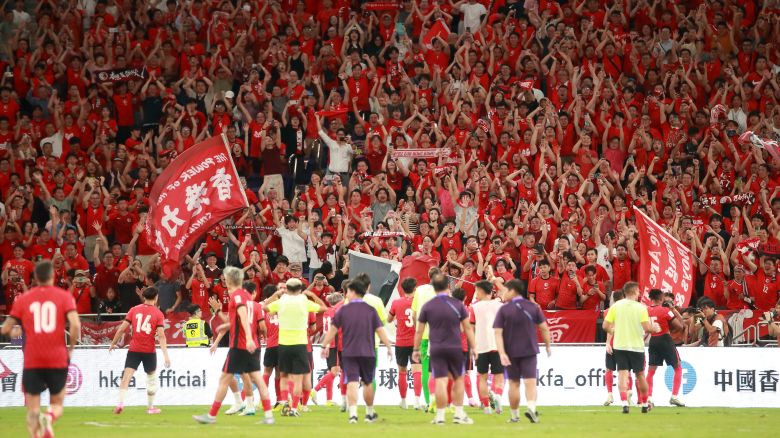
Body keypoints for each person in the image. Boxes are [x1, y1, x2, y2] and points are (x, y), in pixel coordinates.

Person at [0, 260, 81, 438]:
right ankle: (49, 417)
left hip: (32, 360)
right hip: (57, 358)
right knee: (57, 404)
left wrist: (14, 333)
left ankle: (36, 432)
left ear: (35, 277)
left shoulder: (24, 299)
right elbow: (75, 324)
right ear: (52, 276)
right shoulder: (64, 296)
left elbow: (5, 329)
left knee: (32, 409)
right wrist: (71, 348)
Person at [193, 267, 274, 424]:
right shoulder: (247, 297)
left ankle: (212, 415)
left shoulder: (237, 296)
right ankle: (269, 416)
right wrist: (226, 324)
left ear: (229, 279)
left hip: (240, 345)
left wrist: (248, 337)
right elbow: (238, 320)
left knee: (224, 379)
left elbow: (243, 315)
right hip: (251, 345)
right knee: (257, 378)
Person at [320, 278, 393, 424]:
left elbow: (332, 331)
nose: (346, 294)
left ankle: (353, 414)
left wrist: (324, 346)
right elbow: (380, 330)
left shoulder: (343, 310)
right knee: (367, 382)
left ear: (353, 292)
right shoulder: (370, 310)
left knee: (352, 381)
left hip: (349, 352)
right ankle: (369, 412)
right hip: (368, 351)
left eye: (348, 291)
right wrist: (389, 347)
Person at [413, 274, 476, 425]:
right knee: (458, 380)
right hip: (455, 347)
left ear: (433, 288)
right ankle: (459, 415)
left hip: (436, 348)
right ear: (448, 287)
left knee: (440, 381)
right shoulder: (457, 304)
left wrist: (415, 349)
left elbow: (419, 331)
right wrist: (474, 347)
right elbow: (467, 327)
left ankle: (440, 417)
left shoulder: (428, 306)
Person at [263, 277, 327, 417]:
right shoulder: (304, 301)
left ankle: (285, 401)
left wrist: (275, 295)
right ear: (299, 289)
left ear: (287, 288)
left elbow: (265, 307)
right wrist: (313, 295)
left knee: (284, 376)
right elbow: (323, 307)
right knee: (298, 378)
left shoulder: (281, 301)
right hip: (300, 344)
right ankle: (293, 408)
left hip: (283, 344)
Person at [493, 279, 551, 423]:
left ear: (512, 291)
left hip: (510, 352)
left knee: (514, 384)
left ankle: (514, 416)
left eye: (505, 290)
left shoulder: (504, 309)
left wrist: (501, 353)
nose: (502, 293)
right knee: (530, 382)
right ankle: (531, 409)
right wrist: (548, 345)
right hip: (530, 350)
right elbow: (544, 328)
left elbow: (497, 332)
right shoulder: (533, 307)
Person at [108, 286, 171, 415]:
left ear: (144, 297)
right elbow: (161, 336)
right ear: (156, 297)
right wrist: (166, 355)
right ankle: (150, 407)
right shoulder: (158, 314)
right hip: (149, 351)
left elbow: (121, 329)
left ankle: (120, 403)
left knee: (126, 377)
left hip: (134, 349)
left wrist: (113, 343)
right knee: (151, 379)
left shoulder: (133, 310)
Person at [602, 282, 660, 414]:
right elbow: (647, 328)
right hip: (636, 346)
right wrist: (654, 328)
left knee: (622, 374)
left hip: (620, 345)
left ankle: (624, 404)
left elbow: (605, 326)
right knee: (640, 375)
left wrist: (614, 331)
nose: (639, 293)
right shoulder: (641, 308)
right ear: (634, 291)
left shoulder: (616, 306)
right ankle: (645, 404)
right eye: (638, 291)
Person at [645, 289, 686, 408]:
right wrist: (672, 311)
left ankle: (649, 398)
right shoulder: (665, 311)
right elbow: (680, 326)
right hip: (665, 339)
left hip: (653, 340)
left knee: (651, 371)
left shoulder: (645, 311)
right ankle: (674, 397)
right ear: (661, 298)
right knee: (677, 367)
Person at [470, 280, 505, 414]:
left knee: (482, 377)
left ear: (480, 291)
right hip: (497, 345)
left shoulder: (474, 307)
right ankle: (498, 396)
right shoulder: (500, 305)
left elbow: (471, 329)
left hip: (481, 346)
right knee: (499, 376)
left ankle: (486, 407)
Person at [387, 277, 419, 409]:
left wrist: (396, 317)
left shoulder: (396, 303)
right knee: (417, 371)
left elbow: (389, 319)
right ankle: (417, 401)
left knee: (402, 372)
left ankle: (404, 401)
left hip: (400, 342)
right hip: (415, 342)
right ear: (415, 289)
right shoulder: (418, 303)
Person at [410, 267, 440, 408]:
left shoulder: (420, 290)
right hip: (439, 335)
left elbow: (415, 314)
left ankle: (428, 401)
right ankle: (442, 401)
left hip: (423, 335)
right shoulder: (442, 290)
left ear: (428, 276)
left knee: (425, 370)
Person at [311, 292, 344, 406]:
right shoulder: (337, 312)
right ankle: (314, 390)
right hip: (335, 343)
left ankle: (329, 400)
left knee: (331, 372)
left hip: (328, 342)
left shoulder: (327, 312)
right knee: (335, 371)